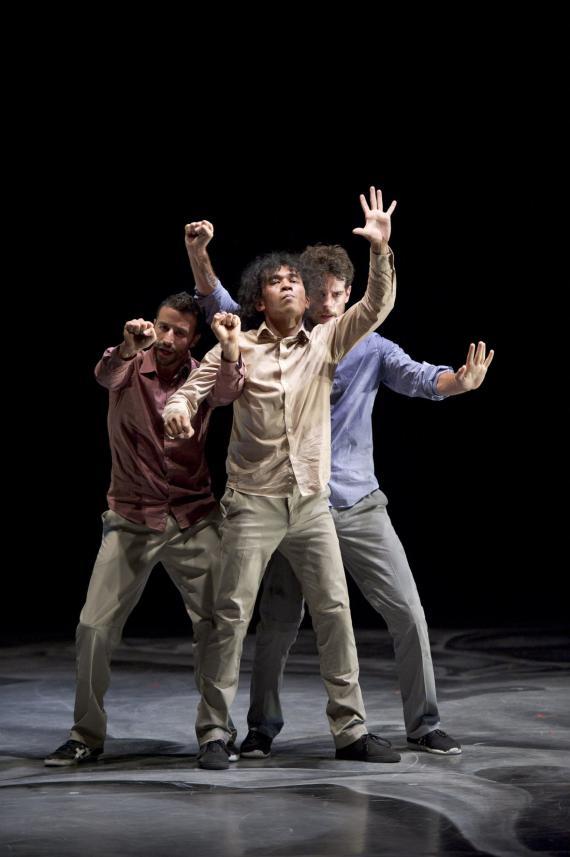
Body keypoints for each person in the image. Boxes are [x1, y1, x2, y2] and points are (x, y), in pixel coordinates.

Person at [185, 221, 494, 760]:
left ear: (345, 294)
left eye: (336, 294)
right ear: (303, 295)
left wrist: (456, 382)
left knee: (396, 611)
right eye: (318, 293)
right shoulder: (274, 337)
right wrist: (199, 254)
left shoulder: (357, 341)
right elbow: (223, 306)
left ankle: (416, 724)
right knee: (274, 622)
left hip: (351, 500)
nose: (327, 304)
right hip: (283, 499)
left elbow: (417, 372)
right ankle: (258, 728)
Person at [164, 187, 401, 770]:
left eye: (295, 279)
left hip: (311, 504)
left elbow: (375, 306)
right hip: (253, 504)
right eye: (277, 281)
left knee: (335, 612)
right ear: (259, 298)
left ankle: (350, 730)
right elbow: (191, 393)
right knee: (231, 616)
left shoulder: (326, 341)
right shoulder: (237, 346)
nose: (289, 284)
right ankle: (213, 733)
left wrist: (379, 250)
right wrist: (177, 411)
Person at [45, 293, 243, 766]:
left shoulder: (202, 373)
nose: (169, 338)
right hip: (132, 518)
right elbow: (105, 373)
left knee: (218, 625)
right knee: (93, 627)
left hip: (193, 517)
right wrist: (127, 346)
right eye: (163, 327)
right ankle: (85, 735)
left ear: (194, 339)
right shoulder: (130, 364)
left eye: (180, 332)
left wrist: (230, 347)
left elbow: (229, 389)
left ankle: (215, 731)